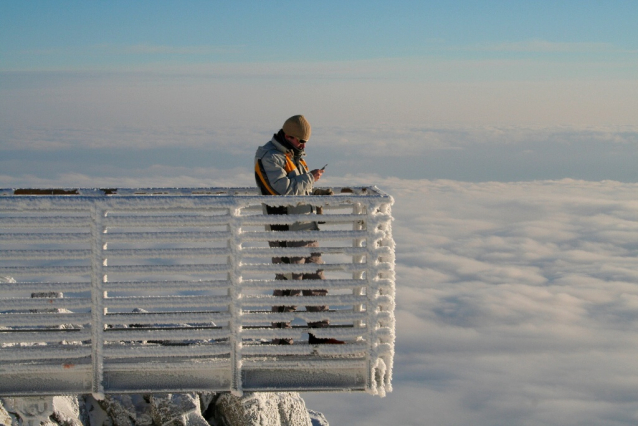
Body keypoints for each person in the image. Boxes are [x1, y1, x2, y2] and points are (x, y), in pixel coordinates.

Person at [254, 115, 344, 345]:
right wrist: (310, 178)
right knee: (290, 284)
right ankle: (281, 339)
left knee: (316, 282)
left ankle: (320, 333)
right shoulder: (269, 157)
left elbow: (298, 190)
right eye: (300, 140)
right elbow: (282, 192)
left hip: (305, 228)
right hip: (286, 232)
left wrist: (315, 193)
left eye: (305, 142)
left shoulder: (293, 156)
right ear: (288, 135)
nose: (303, 145)